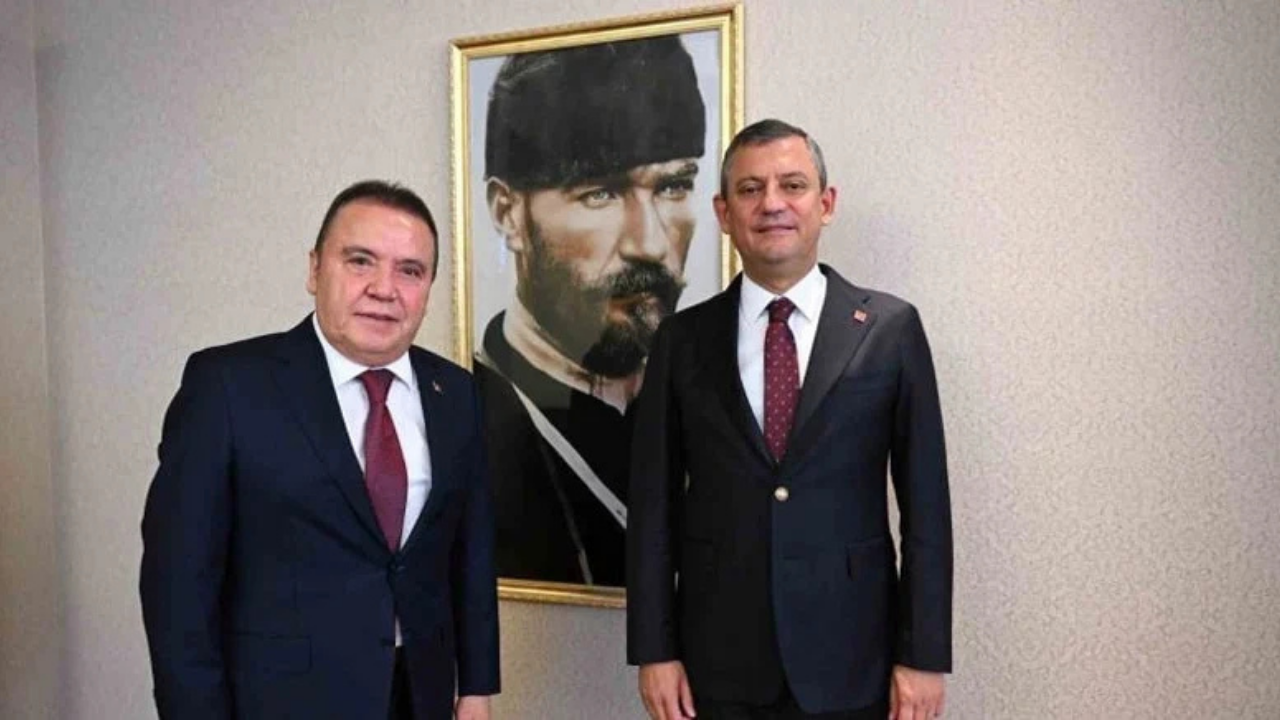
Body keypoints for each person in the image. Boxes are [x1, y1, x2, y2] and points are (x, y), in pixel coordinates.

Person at [627, 119, 953, 720]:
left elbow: (926, 508)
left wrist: (923, 655)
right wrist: (654, 649)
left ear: (825, 204)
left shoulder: (890, 330)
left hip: (855, 659)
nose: (772, 203)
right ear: (724, 213)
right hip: (715, 663)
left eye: (792, 185)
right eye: (750, 189)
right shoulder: (681, 340)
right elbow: (653, 508)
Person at [140, 181, 499, 720]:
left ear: (428, 286)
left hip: (419, 696)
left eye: (410, 270)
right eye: (360, 261)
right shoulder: (228, 387)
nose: (384, 289)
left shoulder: (456, 393)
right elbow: (177, 589)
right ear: (314, 270)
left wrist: (476, 687)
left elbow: (470, 552)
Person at [476, 36, 707, 587]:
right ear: (509, 214)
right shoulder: (466, 423)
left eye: (674, 186)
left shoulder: (704, 400)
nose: (650, 244)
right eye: (600, 194)